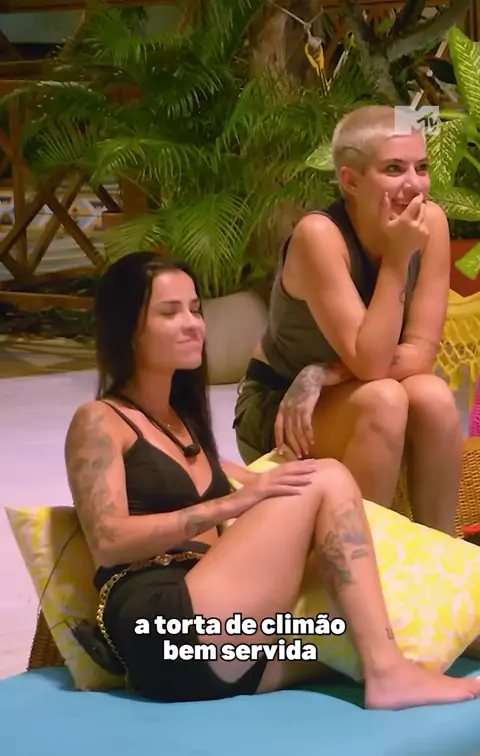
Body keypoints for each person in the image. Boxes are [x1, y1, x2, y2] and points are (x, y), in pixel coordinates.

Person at [64, 250, 480, 710]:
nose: (193, 324)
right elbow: (108, 541)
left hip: (223, 645)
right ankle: (388, 675)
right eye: (170, 312)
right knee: (326, 478)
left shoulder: (183, 428)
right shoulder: (101, 420)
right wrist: (229, 505)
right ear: (127, 328)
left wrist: (276, 472)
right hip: (163, 623)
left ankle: (406, 655)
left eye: (196, 310)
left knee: (368, 629)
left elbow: (263, 486)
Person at [234, 104, 460, 535]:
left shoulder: (431, 222)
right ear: (350, 181)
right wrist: (397, 258)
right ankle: (361, 561)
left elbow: (420, 353)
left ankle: (440, 550)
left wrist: (325, 372)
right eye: (393, 169)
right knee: (384, 400)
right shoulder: (319, 236)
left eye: (421, 167)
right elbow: (372, 365)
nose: (413, 184)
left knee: (433, 396)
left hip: (335, 383)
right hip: (284, 403)